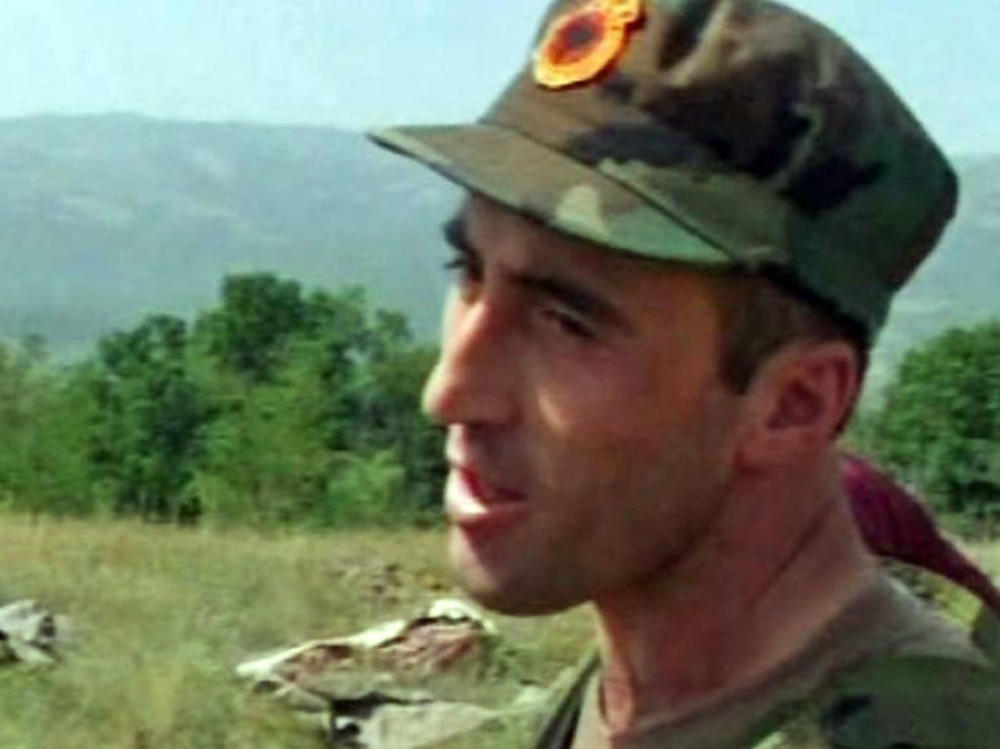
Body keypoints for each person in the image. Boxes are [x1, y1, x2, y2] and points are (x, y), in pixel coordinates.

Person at [370, 0, 1000, 745]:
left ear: (793, 404)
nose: (449, 392)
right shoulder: (637, 695)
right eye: (469, 271)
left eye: (566, 322)